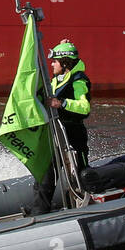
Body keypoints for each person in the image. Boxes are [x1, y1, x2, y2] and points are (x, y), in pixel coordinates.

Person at [47, 40, 91, 170]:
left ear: (65, 63)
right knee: (50, 175)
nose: (52, 64)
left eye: (55, 61)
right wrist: (63, 47)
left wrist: (62, 103)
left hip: (73, 135)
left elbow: (84, 107)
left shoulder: (78, 81)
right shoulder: (57, 79)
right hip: (57, 133)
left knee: (80, 172)